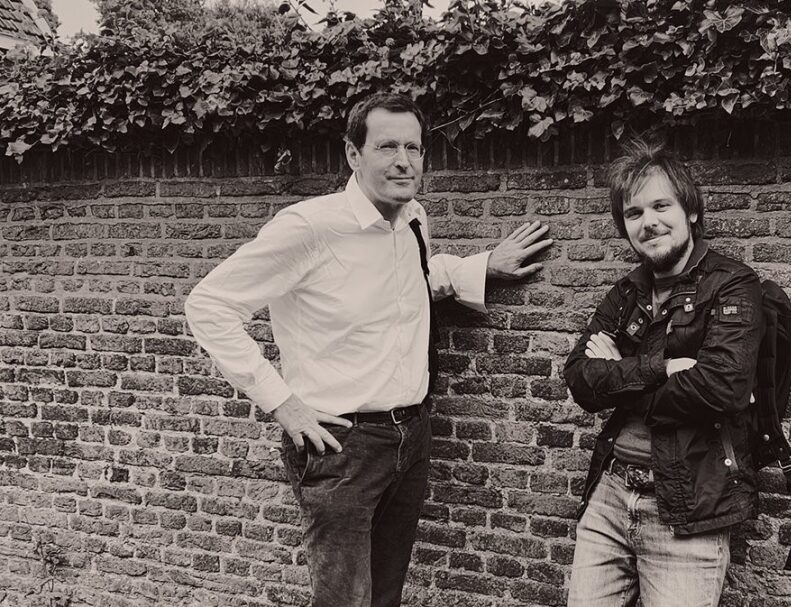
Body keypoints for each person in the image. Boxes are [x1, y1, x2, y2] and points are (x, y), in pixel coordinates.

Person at [185, 92, 552, 607]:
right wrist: (282, 403)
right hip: (342, 447)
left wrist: (483, 266)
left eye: (413, 148)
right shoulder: (309, 227)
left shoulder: (412, 216)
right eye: (386, 147)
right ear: (353, 154)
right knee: (345, 601)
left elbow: (414, 281)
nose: (404, 161)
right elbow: (209, 305)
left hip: (411, 437)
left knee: (385, 597)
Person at [562, 139, 765, 606]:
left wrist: (621, 372)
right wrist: (663, 368)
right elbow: (580, 379)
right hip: (611, 495)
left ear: (690, 210)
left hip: (687, 506)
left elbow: (722, 388)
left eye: (660, 206)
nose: (648, 221)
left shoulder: (732, 285)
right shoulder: (626, 293)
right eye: (634, 213)